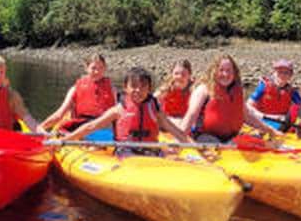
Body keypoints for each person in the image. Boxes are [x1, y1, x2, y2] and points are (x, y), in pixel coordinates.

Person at [60, 66, 193, 153]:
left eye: (143, 87)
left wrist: (198, 149)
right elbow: (92, 126)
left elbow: (177, 132)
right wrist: (66, 141)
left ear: (149, 88)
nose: (138, 91)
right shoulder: (119, 109)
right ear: (126, 88)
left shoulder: (155, 109)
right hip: (126, 151)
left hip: (151, 150)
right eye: (134, 86)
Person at [180, 53, 282, 143]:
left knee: (252, 143)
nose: (225, 74)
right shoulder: (203, 90)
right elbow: (191, 115)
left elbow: (247, 116)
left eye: (229, 70)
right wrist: (178, 138)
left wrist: (269, 130)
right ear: (214, 72)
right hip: (206, 137)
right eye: (221, 70)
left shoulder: (237, 91)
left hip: (232, 137)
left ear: (234, 73)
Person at [40, 53, 116, 134]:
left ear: (105, 68)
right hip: (81, 127)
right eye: (93, 68)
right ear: (86, 68)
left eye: (101, 68)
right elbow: (60, 114)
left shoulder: (112, 90)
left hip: (102, 130)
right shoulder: (75, 89)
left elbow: (117, 116)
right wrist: (41, 127)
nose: (97, 71)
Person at [246, 59, 301, 127]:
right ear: (274, 73)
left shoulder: (292, 91)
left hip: (280, 121)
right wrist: (261, 115)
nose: (282, 75)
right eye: (279, 72)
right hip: (262, 120)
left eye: (286, 73)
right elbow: (248, 105)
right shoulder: (264, 86)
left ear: (290, 75)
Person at [154, 59, 193, 129]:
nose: (179, 77)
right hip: (168, 120)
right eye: (176, 73)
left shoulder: (193, 89)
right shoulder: (167, 88)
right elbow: (152, 99)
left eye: (183, 74)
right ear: (172, 74)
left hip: (186, 120)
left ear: (189, 75)